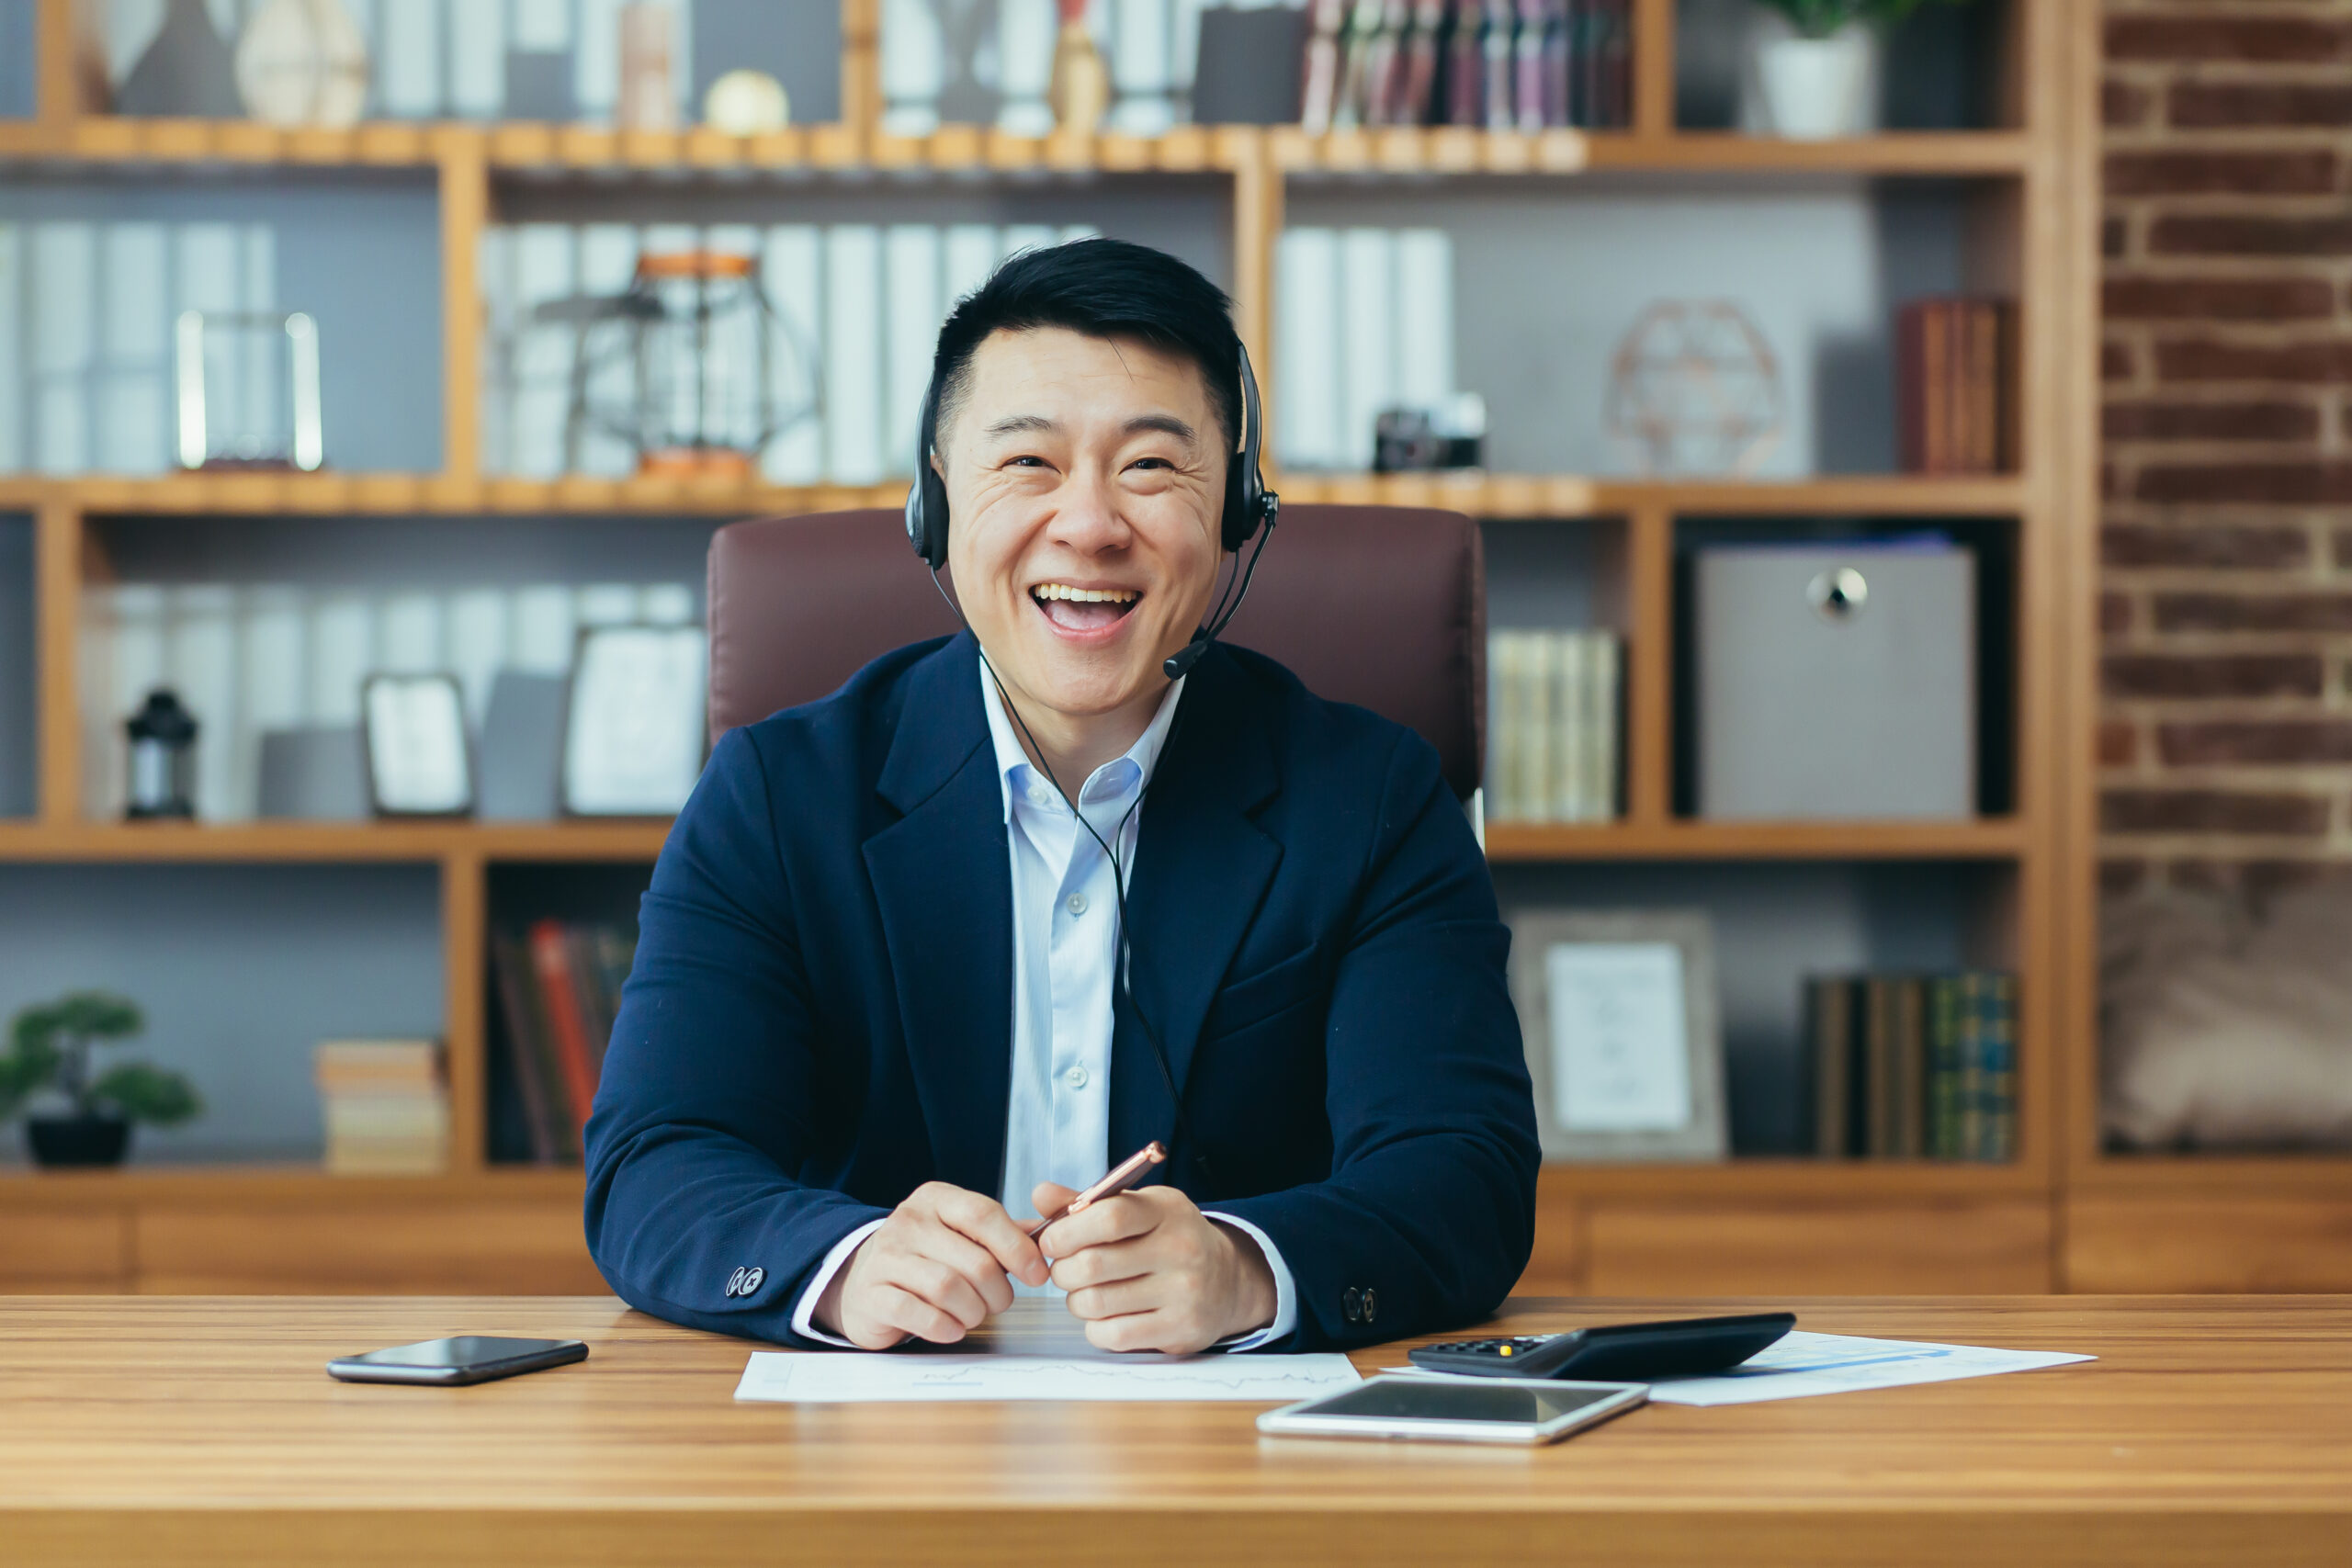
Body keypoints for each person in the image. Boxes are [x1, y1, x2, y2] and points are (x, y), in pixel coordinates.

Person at [584, 237, 1538, 1354]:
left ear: (1235, 509)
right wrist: (842, 1266)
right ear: (934, 506)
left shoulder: (1373, 801)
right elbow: (658, 1162)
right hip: (868, 1461)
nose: (1088, 525)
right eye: (1027, 464)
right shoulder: (776, 798)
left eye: (1148, 467)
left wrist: (1246, 1269)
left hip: (1254, 1471)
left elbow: (1462, 1174)